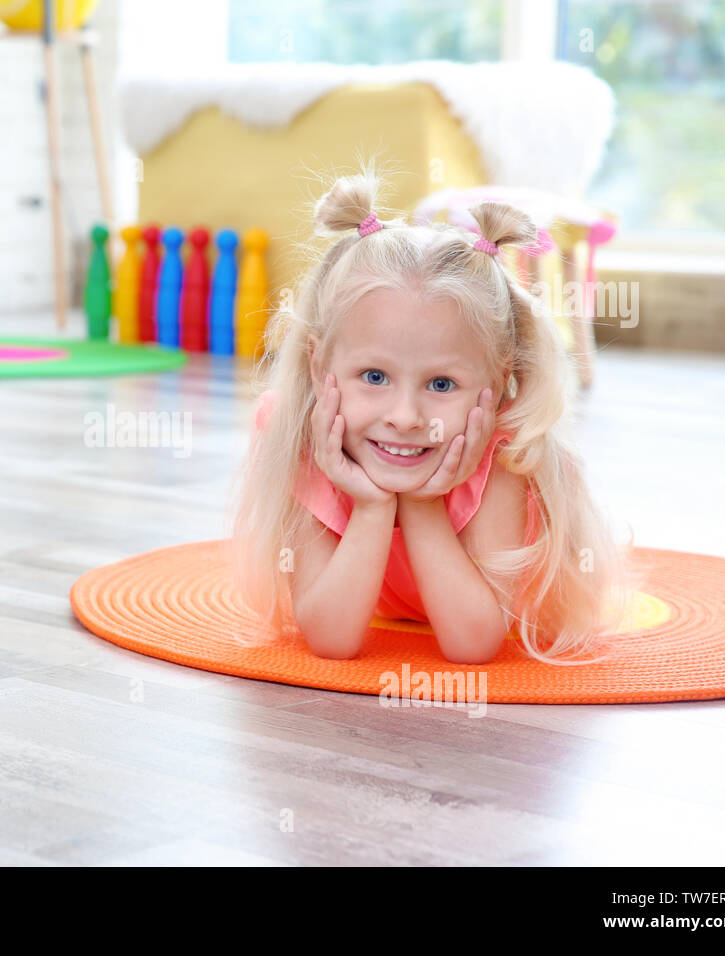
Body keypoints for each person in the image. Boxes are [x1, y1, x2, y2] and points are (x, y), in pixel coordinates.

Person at [228, 166, 639, 665]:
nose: (405, 417)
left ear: (497, 382)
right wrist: (373, 507)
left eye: (441, 384)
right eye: (375, 377)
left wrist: (423, 504)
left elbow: (473, 645)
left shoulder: (503, 451)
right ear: (319, 366)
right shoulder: (299, 431)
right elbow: (332, 640)